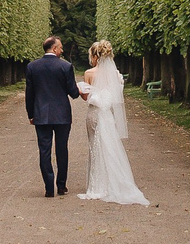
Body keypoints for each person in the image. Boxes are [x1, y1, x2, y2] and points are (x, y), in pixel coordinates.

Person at [78, 40, 149, 206]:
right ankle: (112, 181)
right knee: (108, 146)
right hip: (107, 115)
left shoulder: (89, 73)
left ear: (95, 56)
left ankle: (97, 184)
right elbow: (116, 98)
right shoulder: (115, 74)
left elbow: (86, 98)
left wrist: (82, 91)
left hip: (94, 114)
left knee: (94, 147)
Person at [22, 35, 83, 196]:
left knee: (44, 151)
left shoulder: (32, 67)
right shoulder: (65, 66)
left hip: (41, 115)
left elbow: (30, 94)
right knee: (62, 149)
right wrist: (80, 90)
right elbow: (73, 93)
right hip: (62, 115)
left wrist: (31, 114)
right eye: (61, 47)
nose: (62, 50)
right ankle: (61, 186)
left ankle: (49, 188)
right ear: (54, 49)